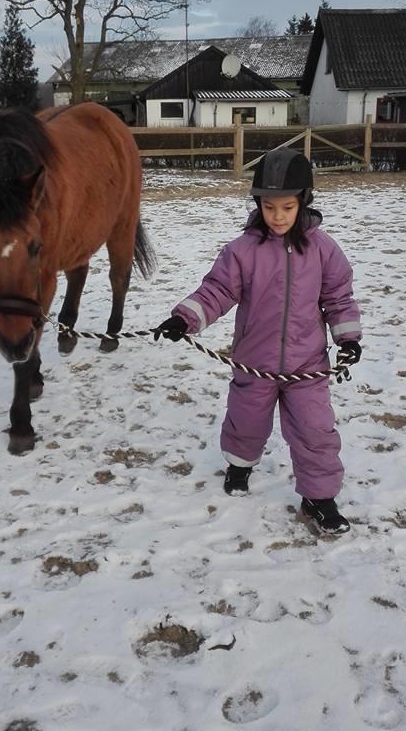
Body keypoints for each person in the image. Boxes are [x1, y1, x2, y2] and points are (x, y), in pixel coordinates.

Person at [153, 147, 362, 536]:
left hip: (307, 364)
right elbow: (216, 291)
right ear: (258, 205)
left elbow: (339, 297)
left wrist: (348, 339)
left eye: (286, 207)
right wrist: (184, 319)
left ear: (303, 203)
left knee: (315, 429)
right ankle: (239, 464)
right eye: (269, 208)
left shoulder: (323, 249)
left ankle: (319, 498)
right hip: (255, 359)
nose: (278, 217)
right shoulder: (242, 251)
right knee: (246, 422)